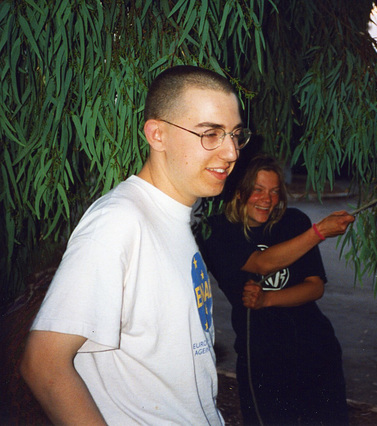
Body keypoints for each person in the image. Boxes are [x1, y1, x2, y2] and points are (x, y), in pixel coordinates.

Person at [19, 65, 249, 425]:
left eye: (235, 134)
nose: (231, 152)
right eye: (211, 134)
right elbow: (44, 364)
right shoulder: (119, 222)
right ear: (157, 134)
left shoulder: (170, 216)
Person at [201, 155, 355, 425]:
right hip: (263, 354)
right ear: (239, 192)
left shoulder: (294, 221)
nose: (267, 199)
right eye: (257, 190)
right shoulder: (218, 230)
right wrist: (319, 232)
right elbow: (262, 264)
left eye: (274, 191)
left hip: (315, 346)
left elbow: (315, 287)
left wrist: (268, 299)